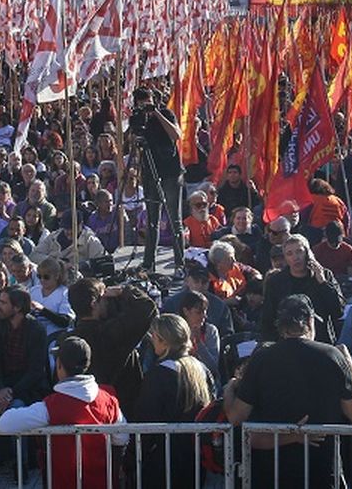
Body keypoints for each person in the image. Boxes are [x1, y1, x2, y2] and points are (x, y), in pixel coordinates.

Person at [226, 294, 352, 488]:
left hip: (271, 471)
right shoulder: (331, 355)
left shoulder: (261, 358)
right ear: (310, 321)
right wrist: (350, 368)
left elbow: (236, 416)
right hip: (321, 469)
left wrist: (229, 390)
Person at [0, 336, 127, 489]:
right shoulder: (109, 400)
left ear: (59, 365)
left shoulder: (50, 406)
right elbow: (122, 438)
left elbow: (4, 424)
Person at [132, 313, 215, 489]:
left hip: (164, 462)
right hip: (196, 458)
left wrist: (133, 459)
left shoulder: (158, 375)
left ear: (164, 341)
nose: (152, 340)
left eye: (154, 336)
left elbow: (146, 421)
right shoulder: (202, 370)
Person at [68, 278, 157, 408]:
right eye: (104, 299)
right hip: (121, 404)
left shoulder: (69, 340)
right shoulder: (112, 333)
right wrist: (124, 291)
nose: (107, 303)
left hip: (85, 406)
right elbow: (147, 308)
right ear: (94, 304)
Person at [130, 87, 184, 273]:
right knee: (151, 220)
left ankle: (180, 263)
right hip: (149, 173)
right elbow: (133, 141)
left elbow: (176, 135)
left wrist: (157, 114)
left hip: (170, 172)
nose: (144, 105)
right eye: (141, 101)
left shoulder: (166, 113)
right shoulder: (138, 117)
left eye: (147, 100)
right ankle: (148, 263)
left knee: (173, 219)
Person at [258, 235, 345, 344]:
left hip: (321, 341)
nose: (295, 257)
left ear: (307, 253)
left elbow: (338, 311)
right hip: (286, 343)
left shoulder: (325, 275)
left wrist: (323, 283)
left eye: (299, 251)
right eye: (289, 254)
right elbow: (268, 319)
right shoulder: (276, 282)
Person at [0, 287, 50, 419]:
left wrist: (11, 393)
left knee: (16, 410)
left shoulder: (36, 330)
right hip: (0, 383)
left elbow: (36, 370)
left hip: (26, 387)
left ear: (17, 308)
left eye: (3, 303)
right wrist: (0, 388)